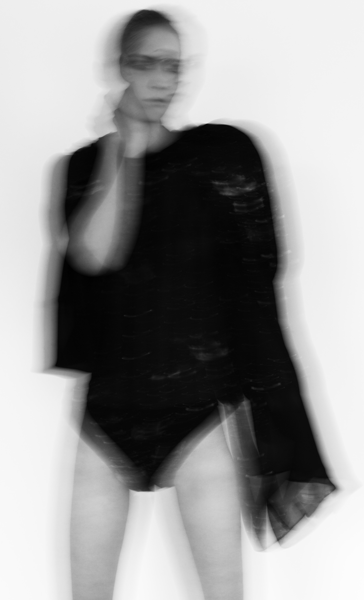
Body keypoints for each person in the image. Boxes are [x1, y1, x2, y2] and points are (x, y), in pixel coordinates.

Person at [52, 9, 336, 600]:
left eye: (174, 66)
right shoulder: (84, 167)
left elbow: (261, 277)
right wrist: (123, 152)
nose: (163, 80)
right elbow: (94, 254)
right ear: (121, 67)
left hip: (196, 418)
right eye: (147, 64)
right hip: (107, 418)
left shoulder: (219, 158)